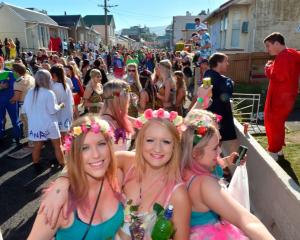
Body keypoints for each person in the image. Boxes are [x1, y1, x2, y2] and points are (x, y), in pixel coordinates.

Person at [37, 109, 191, 240]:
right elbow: (85, 163)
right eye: (150, 140)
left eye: (166, 142)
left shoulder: (178, 194)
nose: (157, 149)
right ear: (140, 141)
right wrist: (62, 183)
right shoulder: (125, 162)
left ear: (175, 147)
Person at [181, 109, 275, 240]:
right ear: (196, 153)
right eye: (215, 148)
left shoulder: (183, 170)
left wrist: (229, 160)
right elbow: (246, 221)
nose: (219, 150)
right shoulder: (204, 183)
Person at [28, 116, 124, 240]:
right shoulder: (59, 204)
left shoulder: (118, 177)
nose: (96, 154)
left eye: (101, 144)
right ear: (74, 154)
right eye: (85, 148)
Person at [263, 32, 300, 160]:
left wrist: (267, 68)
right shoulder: (292, 53)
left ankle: (274, 151)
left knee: (272, 122)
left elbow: (278, 76)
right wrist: (272, 65)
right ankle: (278, 150)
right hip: (287, 95)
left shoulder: (283, 56)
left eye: (268, 46)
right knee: (278, 123)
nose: (267, 49)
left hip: (280, 97)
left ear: (277, 43)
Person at [22, 70, 64, 173]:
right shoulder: (49, 93)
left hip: (36, 125)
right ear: (48, 79)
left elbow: (25, 109)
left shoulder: (30, 92)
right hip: (50, 124)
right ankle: (63, 164)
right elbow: (52, 110)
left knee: (37, 147)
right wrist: (60, 106)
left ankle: (36, 165)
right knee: (57, 146)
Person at [205, 52, 238, 153]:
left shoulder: (212, 75)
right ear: (218, 63)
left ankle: (215, 164)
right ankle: (214, 166)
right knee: (215, 144)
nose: (227, 64)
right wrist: (230, 83)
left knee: (216, 143)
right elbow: (226, 92)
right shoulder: (212, 76)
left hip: (217, 115)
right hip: (217, 116)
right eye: (225, 61)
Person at [10, 63, 35, 145]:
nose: (11, 72)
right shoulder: (30, 77)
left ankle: (31, 143)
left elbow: (16, 97)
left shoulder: (19, 81)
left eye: (12, 70)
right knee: (32, 123)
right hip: (33, 104)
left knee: (27, 125)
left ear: (17, 72)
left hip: (24, 106)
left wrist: (10, 100)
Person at [0, 56, 22, 143]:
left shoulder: (11, 73)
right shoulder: (11, 73)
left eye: (1, 62)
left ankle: (17, 137)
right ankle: (2, 137)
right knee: (1, 120)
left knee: (15, 119)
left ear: (2, 62)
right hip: (7, 100)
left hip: (11, 99)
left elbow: (22, 81)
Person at [50, 65, 74, 139]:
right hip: (67, 112)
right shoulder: (65, 84)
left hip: (60, 114)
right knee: (66, 134)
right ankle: (68, 149)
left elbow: (54, 103)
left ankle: (66, 150)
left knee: (62, 136)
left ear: (54, 75)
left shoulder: (55, 87)